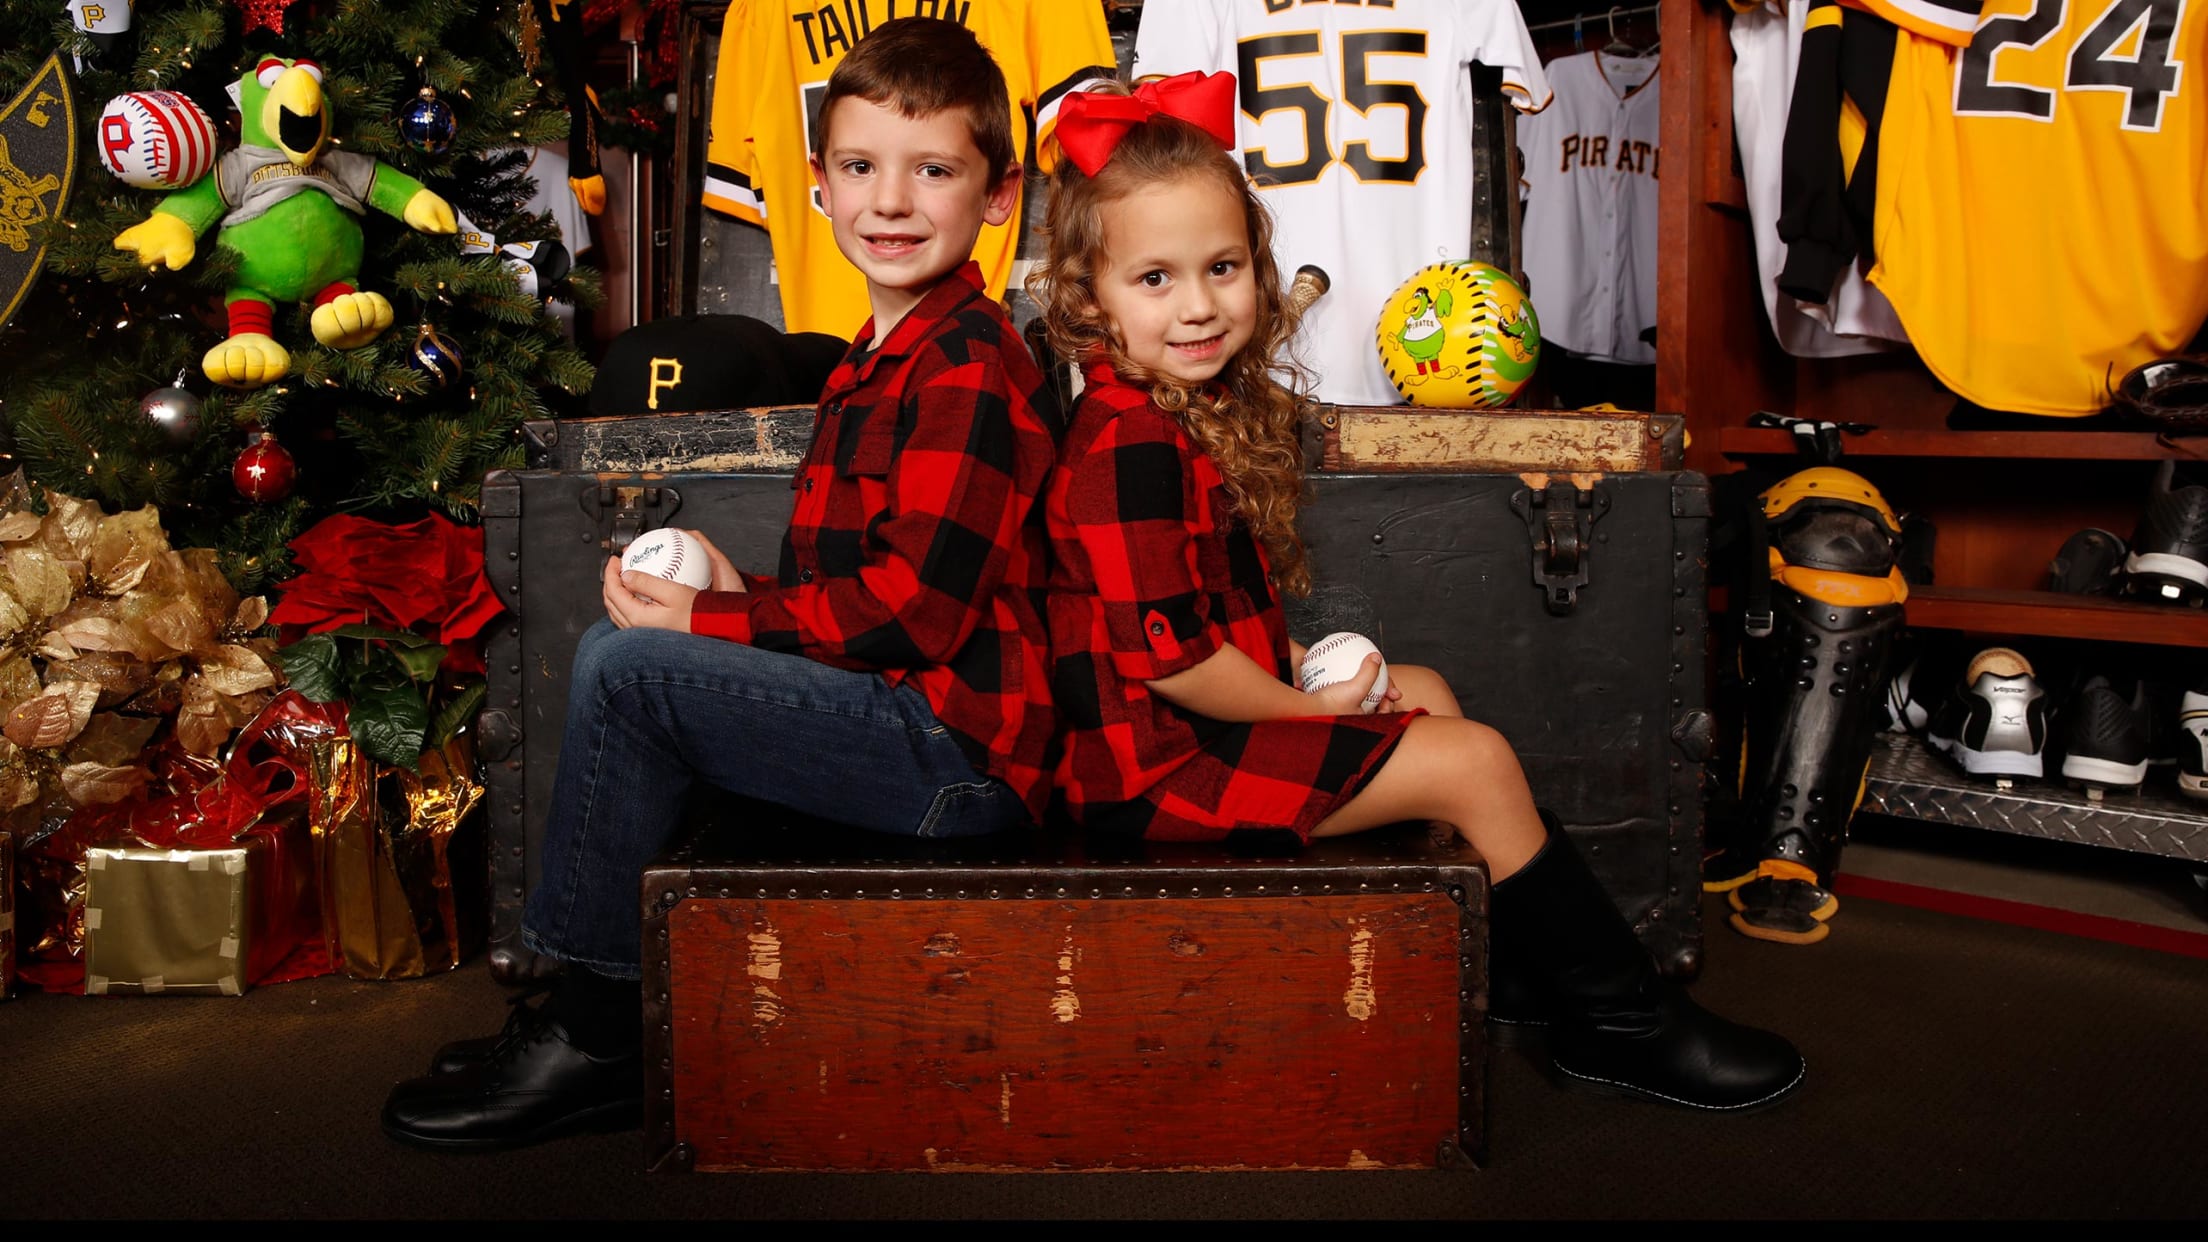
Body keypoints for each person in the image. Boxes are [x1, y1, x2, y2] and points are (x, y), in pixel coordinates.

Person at [1030, 73, 1805, 1113]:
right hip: (1149, 777)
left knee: (1430, 690)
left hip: (1187, 737)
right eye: (1155, 279)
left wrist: (1308, 693)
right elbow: (1173, 661)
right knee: (1472, 761)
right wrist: (1306, 709)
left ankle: (1535, 976)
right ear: (1089, 299)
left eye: (1221, 268)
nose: (1201, 305)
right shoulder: (1126, 442)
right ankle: (1625, 1022)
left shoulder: (1168, 418)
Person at [381, 17, 1063, 1151]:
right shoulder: (875, 358)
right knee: (637, 653)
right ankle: (585, 1006)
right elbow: (851, 579)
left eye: (934, 170)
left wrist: (716, 620)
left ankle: (597, 1028)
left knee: (636, 673)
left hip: (959, 755)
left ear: (998, 196)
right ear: (818, 183)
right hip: (911, 718)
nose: (891, 201)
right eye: (861, 167)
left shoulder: (970, 368)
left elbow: (914, 614)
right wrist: (730, 598)